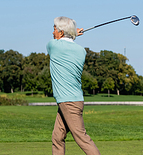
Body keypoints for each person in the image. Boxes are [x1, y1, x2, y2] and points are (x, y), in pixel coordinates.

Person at [47, 16, 101, 155]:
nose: (52, 32)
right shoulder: (81, 51)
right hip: (72, 100)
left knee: (82, 138)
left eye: (54, 29)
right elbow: (67, 42)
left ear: (61, 32)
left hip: (68, 101)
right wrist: (73, 34)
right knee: (57, 137)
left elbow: (57, 42)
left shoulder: (53, 46)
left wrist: (74, 33)